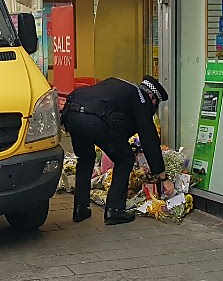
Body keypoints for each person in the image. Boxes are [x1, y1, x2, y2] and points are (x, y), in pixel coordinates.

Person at [63, 75, 172, 226]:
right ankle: (114, 209)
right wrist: (163, 178)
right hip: (94, 118)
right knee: (125, 159)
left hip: (71, 113)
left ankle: (81, 208)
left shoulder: (120, 85)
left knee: (86, 158)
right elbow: (150, 140)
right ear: (152, 97)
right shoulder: (142, 100)